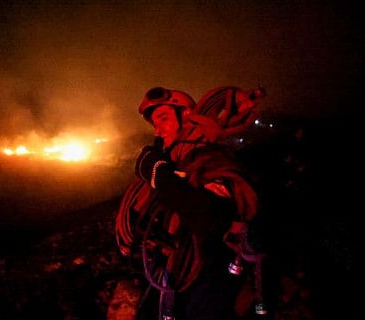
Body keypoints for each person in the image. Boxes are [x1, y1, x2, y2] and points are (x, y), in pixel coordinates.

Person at [116, 86, 270, 320]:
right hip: (175, 266)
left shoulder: (211, 160)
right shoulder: (176, 164)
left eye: (164, 118)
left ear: (187, 116)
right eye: (154, 124)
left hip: (212, 270)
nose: (158, 129)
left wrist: (158, 174)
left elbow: (209, 219)